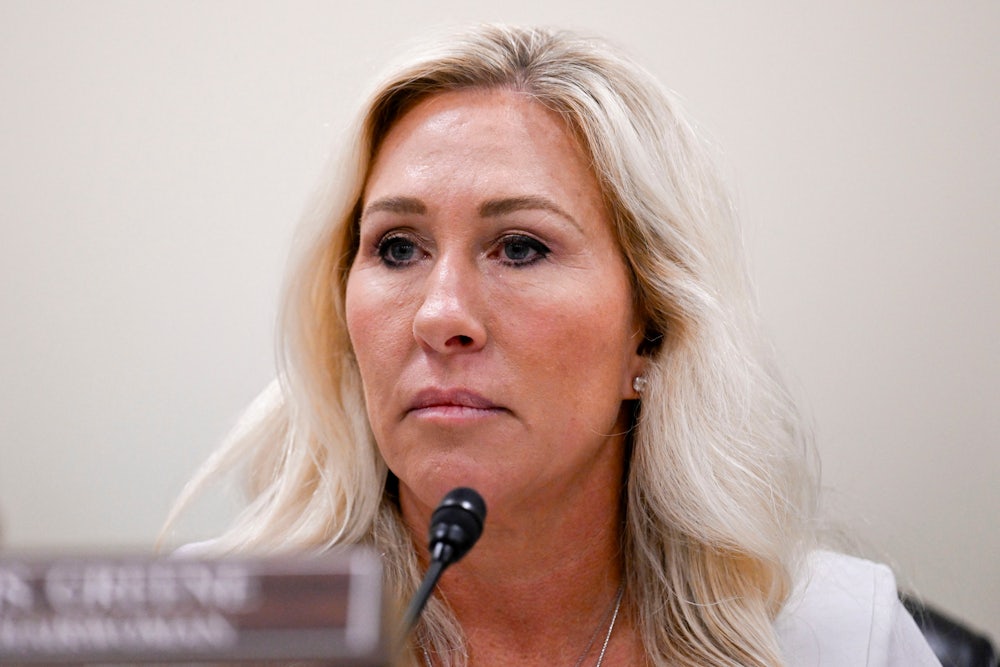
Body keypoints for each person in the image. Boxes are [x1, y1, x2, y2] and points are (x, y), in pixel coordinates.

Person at [166, 24, 940, 666]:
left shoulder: (840, 638)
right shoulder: (209, 629)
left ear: (651, 330)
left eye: (522, 247)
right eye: (398, 248)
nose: (440, 315)